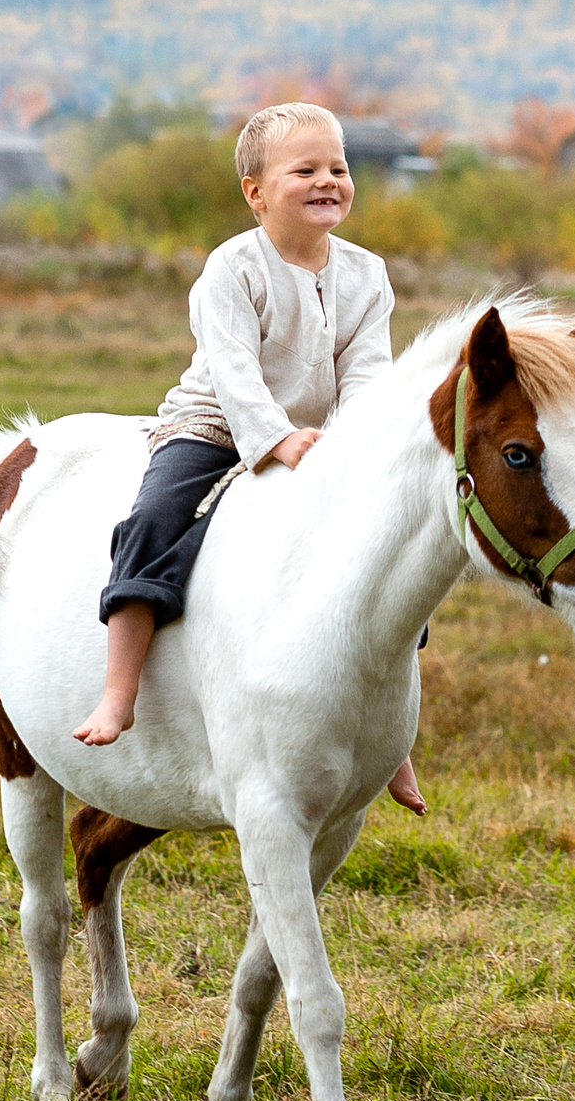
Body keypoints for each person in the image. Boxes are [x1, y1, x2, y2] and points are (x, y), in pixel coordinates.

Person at [73, 101, 427, 816]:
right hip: (216, 426)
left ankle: (391, 741)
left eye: (339, 167)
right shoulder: (232, 269)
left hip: (322, 439)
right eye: (306, 170)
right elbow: (234, 374)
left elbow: (368, 371)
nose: (329, 180)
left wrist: (350, 444)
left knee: (393, 549)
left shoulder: (367, 276)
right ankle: (120, 688)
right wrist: (276, 439)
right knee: (156, 516)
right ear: (256, 193)